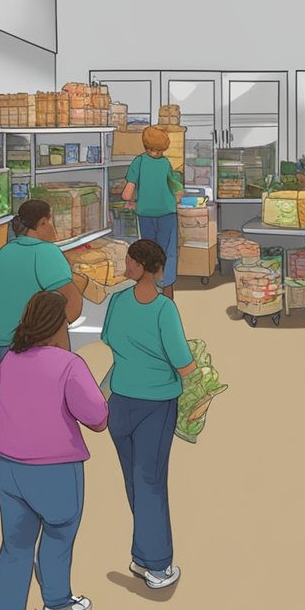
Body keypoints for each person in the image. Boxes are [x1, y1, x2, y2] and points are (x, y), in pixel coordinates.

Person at [0, 291, 108, 610]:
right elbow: (98, 419)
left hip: (6, 464)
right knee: (58, 533)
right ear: (59, 327)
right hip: (54, 469)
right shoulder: (70, 365)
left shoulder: (10, 358)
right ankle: (56, 602)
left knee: (15, 543)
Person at [101, 239, 194, 590]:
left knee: (134, 480)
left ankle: (142, 554)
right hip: (155, 405)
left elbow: (110, 340)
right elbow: (183, 364)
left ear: (139, 266)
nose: (125, 265)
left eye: (128, 260)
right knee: (151, 482)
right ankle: (157, 564)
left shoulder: (118, 301)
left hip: (120, 403)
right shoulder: (163, 309)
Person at [0, 199, 83, 374]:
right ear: (42, 223)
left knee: (5, 398)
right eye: (49, 221)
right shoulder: (47, 253)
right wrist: (55, 334)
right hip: (34, 345)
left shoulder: (4, 252)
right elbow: (73, 302)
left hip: (1, 343)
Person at [121, 126, 183, 299]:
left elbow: (127, 193)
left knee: (149, 253)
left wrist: (132, 202)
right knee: (168, 252)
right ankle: (168, 292)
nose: (156, 154)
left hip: (145, 214)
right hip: (167, 214)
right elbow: (175, 186)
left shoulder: (139, 161)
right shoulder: (165, 163)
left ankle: (148, 293)